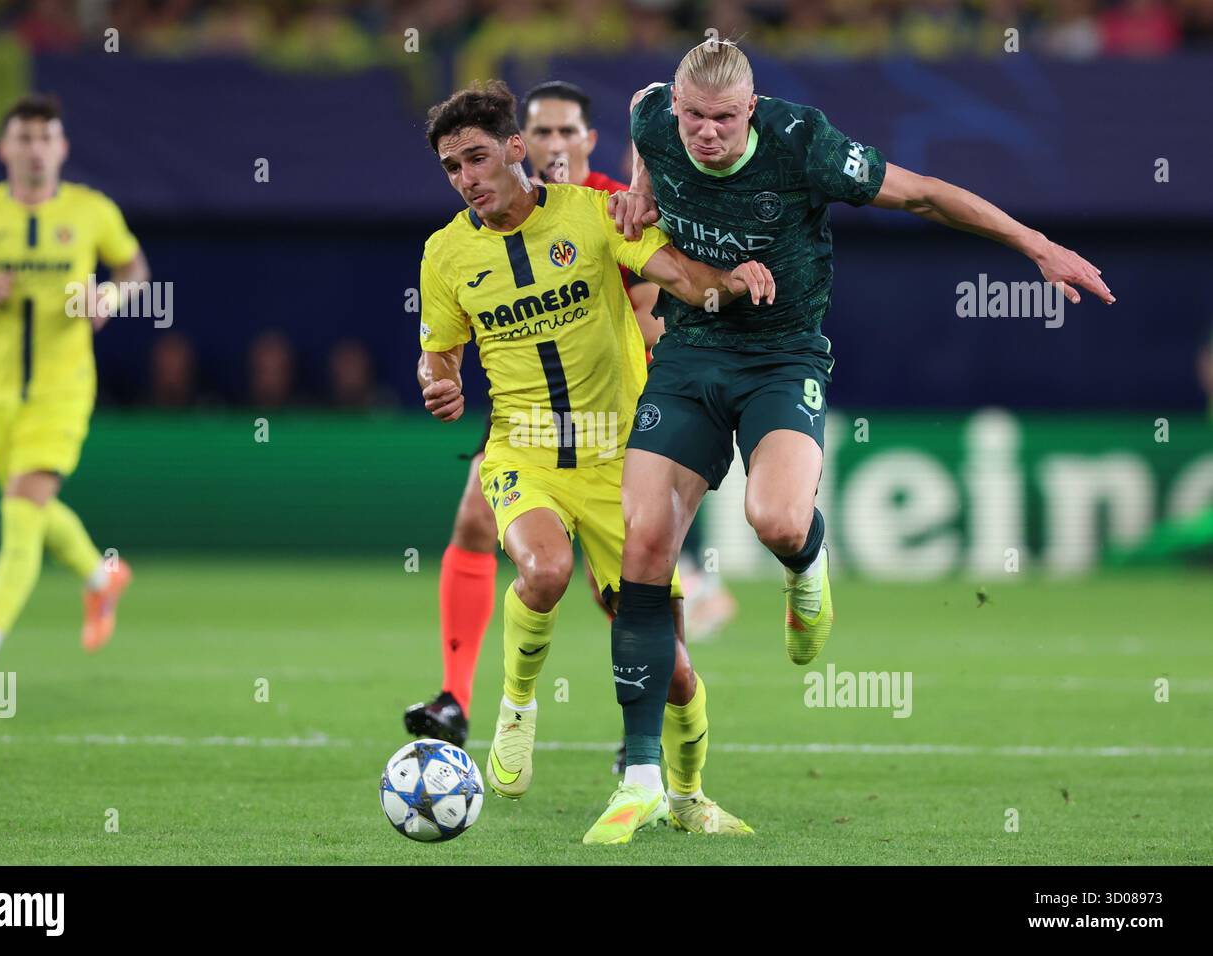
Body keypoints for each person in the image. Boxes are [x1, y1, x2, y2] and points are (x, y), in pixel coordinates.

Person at [605, 39, 1113, 754]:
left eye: (723, 117)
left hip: (783, 355)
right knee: (646, 545)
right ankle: (641, 770)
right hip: (690, 349)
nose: (706, 133)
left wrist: (1035, 246)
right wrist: (643, 189)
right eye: (695, 118)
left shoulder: (803, 145)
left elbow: (927, 196)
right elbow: (639, 109)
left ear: (752, 108)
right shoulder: (658, 118)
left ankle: (809, 568)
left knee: (778, 522)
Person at [418, 80, 773, 843]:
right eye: (451, 167)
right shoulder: (445, 253)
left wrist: (730, 288)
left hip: (624, 458)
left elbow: (677, 278)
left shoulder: (591, 215)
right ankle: (516, 704)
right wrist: (439, 385)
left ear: (518, 149)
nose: (467, 178)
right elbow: (438, 356)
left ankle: (687, 797)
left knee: (674, 668)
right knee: (542, 572)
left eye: (477, 158)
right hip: (524, 450)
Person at [0, 94, 150, 673]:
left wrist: (113, 296)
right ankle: (103, 576)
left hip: (63, 387)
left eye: (45, 138)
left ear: (62, 148)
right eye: (23, 138)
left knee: (21, 512)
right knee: (27, 505)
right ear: (4, 149)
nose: (35, 150)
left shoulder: (91, 209)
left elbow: (133, 268)